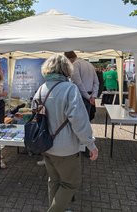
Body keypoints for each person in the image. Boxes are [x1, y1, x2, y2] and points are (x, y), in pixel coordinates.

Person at [32, 54, 98, 212]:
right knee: (71, 183)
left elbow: (34, 111)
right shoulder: (70, 89)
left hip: (46, 145)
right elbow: (80, 121)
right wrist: (91, 144)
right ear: (66, 69)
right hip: (66, 148)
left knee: (54, 180)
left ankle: (57, 207)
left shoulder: (42, 88)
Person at [64, 51, 99, 121]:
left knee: (80, 122)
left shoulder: (74, 64)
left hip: (82, 96)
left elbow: (78, 83)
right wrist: (93, 96)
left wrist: (89, 97)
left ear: (68, 59)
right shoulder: (89, 64)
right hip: (89, 96)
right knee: (87, 121)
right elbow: (96, 82)